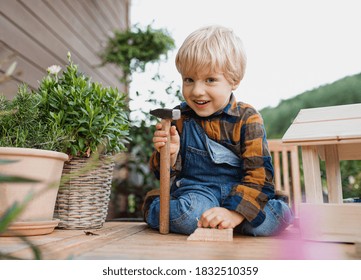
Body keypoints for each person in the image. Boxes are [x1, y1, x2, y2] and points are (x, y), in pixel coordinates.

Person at [143, 25, 293, 236]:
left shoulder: (247, 118)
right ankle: (156, 205)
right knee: (188, 216)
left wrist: (235, 213)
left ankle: (231, 219)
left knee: (267, 223)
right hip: (197, 193)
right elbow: (162, 174)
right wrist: (168, 153)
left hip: (240, 190)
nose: (196, 91)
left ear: (234, 81)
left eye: (210, 80)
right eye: (189, 80)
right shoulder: (179, 118)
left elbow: (260, 176)